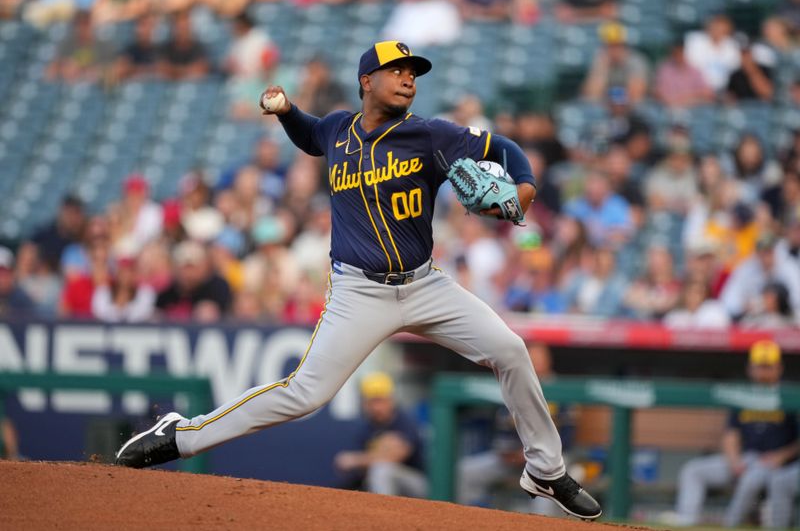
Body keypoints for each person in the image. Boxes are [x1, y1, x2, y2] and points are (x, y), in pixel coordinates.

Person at [114, 40, 601, 521]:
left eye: (414, 72)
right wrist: (286, 111)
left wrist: (525, 187)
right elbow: (310, 136)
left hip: (425, 285)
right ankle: (182, 435)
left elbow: (504, 147)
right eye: (398, 70)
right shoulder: (337, 130)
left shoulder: (430, 135)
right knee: (303, 394)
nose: (409, 78)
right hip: (359, 292)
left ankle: (545, 470)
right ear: (367, 80)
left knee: (511, 350)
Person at [673, 340, 800, 528]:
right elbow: (731, 434)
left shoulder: (789, 395)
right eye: (759, 367)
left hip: (772, 463)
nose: (763, 372)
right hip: (744, 458)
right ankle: (686, 522)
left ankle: (730, 525)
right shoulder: (743, 394)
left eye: (768, 367)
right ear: (750, 368)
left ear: (778, 368)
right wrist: (734, 461)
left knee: (752, 479)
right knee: (693, 470)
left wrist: (781, 456)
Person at [457, 342, 577, 516]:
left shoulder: (560, 390)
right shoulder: (515, 384)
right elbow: (502, 429)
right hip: (511, 458)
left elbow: (567, 436)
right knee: (465, 471)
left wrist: (533, 452)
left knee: (546, 492)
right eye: (531, 359)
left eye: (539, 359)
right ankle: (471, 520)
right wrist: (506, 451)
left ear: (548, 361)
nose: (535, 363)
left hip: (547, 460)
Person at [334, 372, 427, 498]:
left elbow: (395, 456)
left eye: (380, 401)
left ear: (391, 400)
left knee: (381, 470)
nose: (376, 407)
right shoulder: (366, 429)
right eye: (371, 402)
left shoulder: (404, 421)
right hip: (388, 486)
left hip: (420, 485)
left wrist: (355, 460)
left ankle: (385, 515)